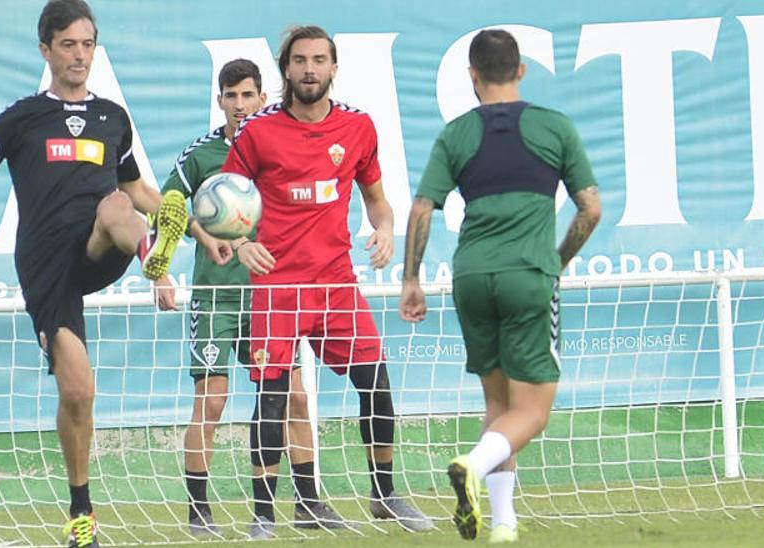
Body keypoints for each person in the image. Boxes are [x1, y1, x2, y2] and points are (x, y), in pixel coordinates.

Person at [0, 1, 188, 546]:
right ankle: (82, 514)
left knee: (119, 207)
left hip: (102, 245)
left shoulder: (112, 118)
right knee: (78, 391)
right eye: (70, 44)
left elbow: (142, 192)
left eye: (88, 44)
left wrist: (202, 231)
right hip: (47, 266)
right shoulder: (22, 117)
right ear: (46, 50)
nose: (80, 55)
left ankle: (154, 259)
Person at [220, 25, 433, 537]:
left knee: (376, 383)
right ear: (286, 69)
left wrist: (383, 229)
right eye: (300, 61)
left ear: (334, 67)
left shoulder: (358, 128)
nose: (310, 69)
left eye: (319, 59)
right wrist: (242, 241)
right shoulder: (257, 132)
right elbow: (223, 199)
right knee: (271, 397)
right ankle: (264, 516)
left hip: (336, 284)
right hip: (277, 286)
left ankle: (384, 495)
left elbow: (378, 199)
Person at [399, 29, 602, 543]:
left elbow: (423, 209)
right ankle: (472, 463)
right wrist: (556, 261)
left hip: (470, 276)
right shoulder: (554, 127)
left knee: (499, 407)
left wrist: (410, 279)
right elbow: (591, 208)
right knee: (532, 412)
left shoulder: (456, 133)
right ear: (521, 71)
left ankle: (503, 524)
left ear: (472, 76)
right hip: (527, 276)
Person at [150, 58, 290, 537]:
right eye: (231, 96)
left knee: (285, 398)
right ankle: (198, 510)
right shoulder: (202, 154)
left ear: (262, 99)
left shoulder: (278, 145)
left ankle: (280, 509)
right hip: (215, 296)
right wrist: (161, 271)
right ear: (220, 100)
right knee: (211, 402)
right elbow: (165, 207)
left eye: (248, 95)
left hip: (269, 295)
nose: (239, 105)